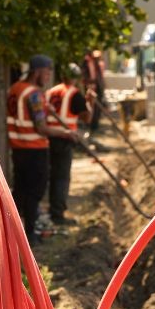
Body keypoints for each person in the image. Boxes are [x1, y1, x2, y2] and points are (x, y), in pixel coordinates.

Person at [7, 54, 78, 245]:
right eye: (47, 72)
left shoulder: (15, 89)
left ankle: (13, 233)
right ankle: (29, 234)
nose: (48, 76)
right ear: (37, 71)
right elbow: (41, 128)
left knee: (20, 191)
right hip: (34, 150)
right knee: (34, 192)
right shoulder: (34, 94)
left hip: (18, 148)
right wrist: (66, 133)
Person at [44, 63, 94, 225]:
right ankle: (57, 214)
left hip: (48, 137)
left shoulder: (50, 92)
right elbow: (87, 118)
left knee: (51, 176)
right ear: (76, 78)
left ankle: (53, 210)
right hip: (64, 139)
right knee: (61, 178)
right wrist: (90, 102)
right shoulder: (74, 94)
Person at [82, 49, 106, 132]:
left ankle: (95, 126)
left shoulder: (97, 64)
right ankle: (89, 125)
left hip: (97, 88)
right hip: (90, 88)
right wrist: (89, 84)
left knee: (97, 108)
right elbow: (85, 76)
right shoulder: (86, 62)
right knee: (89, 107)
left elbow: (99, 77)